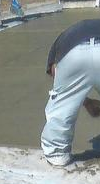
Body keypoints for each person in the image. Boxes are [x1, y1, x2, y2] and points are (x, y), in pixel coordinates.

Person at [40, 19, 100, 167]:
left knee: (62, 106)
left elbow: (56, 74)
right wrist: (86, 101)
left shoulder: (62, 39)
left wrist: (82, 100)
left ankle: (57, 154)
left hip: (72, 53)